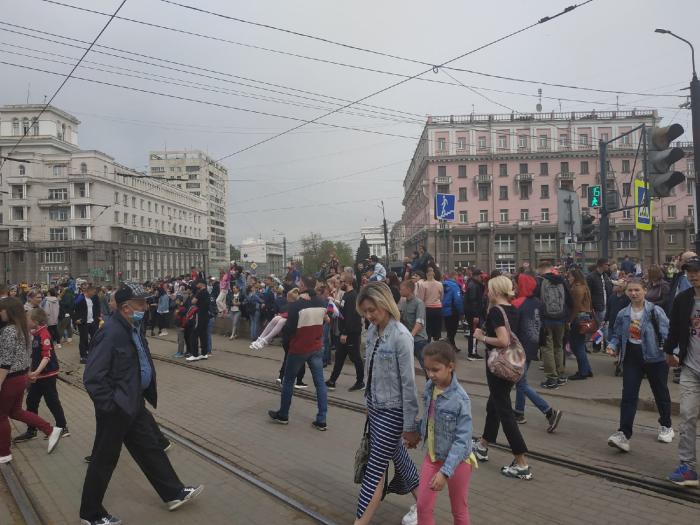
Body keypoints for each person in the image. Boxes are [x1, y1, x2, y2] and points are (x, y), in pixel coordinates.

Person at [80, 283, 203, 525]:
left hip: (133, 401)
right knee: (104, 460)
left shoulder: (132, 327)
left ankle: (173, 493)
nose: (146, 307)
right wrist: (112, 406)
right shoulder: (111, 332)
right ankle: (91, 514)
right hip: (117, 408)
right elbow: (93, 377)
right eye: (141, 304)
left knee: (150, 448)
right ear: (126, 307)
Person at [353, 282, 420, 525]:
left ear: (385, 304)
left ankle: (360, 522)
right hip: (376, 408)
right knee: (398, 457)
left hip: (393, 412)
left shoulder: (401, 336)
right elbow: (369, 371)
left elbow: (409, 384)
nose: (369, 316)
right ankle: (424, 502)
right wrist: (367, 401)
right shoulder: (372, 332)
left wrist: (410, 426)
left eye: (372, 310)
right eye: (365, 312)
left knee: (375, 469)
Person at [471, 276, 532, 480]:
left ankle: (521, 461)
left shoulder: (497, 311)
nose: (487, 293)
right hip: (511, 365)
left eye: (489, 290)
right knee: (494, 405)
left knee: (504, 410)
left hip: (498, 366)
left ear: (495, 291)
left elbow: (503, 340)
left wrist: (482, 338)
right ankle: (483, 445)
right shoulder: (513, 309)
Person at [605, 278, 673, 452]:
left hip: (655, 358)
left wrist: (673, 353)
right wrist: (612, 346)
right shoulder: (623, 314)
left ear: (645, 291)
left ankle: (666, 425)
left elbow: (668, 333)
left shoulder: (655, 311)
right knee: (628, 395)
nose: (633, 294)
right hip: (632, 358)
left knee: (660, 392)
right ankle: (623, 434)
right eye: (630, 291)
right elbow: (617, 334)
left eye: (637, 290)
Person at [416, 341, 474, 525]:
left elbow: (463, 440)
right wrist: (418, 433)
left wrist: (445, 472)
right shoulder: (429, 387)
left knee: (459, 510)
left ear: (450, 367)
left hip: (458, 463)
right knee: (422, 507)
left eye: (435, 369)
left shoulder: (460, 399)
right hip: (432, 458)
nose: (430, 375)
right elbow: (429, 419)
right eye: (427, 369)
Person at [0, 298, 63, 464]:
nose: (0, 313)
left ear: (9, 311)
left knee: (2, 416)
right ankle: (50, 430)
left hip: (10, 378)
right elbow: (26, 355)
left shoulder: (9, 331)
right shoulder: (24, 330)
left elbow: (5, 362)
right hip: (21, 377)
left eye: (2, 310)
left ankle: (4, 453)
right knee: (16, 412)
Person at [268, 276, 328, 429]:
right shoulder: (322, 302)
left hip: (299, 348)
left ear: (302, 286)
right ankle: (321, 419)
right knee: (320, 383)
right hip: (316, 346)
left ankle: (283, 414)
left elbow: (289, 330)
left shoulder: (296, 306)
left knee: (288, 381)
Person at [665, 257, 700, 486]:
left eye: (697, 272)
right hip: (690, 367)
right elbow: (675, 327)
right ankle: (687, 466)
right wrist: (669, 351)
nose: (693, 275)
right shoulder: (683, 299)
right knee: (687, 416)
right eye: (690, 272)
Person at [512, 273, 563, 431]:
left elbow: (512, 329)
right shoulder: (538, 303)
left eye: (516, 284)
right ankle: (519, 412)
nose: (514, 287)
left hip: (519, 348)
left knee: (521, 383)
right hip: (532, 346)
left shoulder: (517, 303)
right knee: (521, 381)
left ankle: (549, 412)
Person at [12, 308, 69, 443]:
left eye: (27, 319)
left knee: (52, 401)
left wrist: (36, 372)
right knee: (31, 401)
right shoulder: (36, 333)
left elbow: (46, 356)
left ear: (35, 321)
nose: (26, 321)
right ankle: (32, 430)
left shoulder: (44, 335)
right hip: (39, 376)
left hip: (47, 375)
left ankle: (62, 427)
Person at [326, 272, 364, 392]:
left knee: (355, 357)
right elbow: (343, 312)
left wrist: (345, 333)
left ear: (347, 282)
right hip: (345, 331)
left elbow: (351, 316)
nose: (339, 283)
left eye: (341, 281)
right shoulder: (346, 295)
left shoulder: (352, 296)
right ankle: (332, 380)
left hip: (351, 333)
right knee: (339, 357)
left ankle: (360, 382)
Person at [537, 260, 572, 389]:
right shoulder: (562, 281)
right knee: (559, 346)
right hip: (561, 319)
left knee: (547, 348)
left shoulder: (540, 281)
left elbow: (537, 301)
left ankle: (551, 378)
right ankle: (561, 375)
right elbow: (569, 300)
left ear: (542, 269)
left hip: (546, 320)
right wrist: (567, 317)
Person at [567, 268, 595, 380]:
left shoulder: (577, 288)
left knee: (577, 345)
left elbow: (576, 306)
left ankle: (583, 372)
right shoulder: (584, 286)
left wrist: (570, 320)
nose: (568, 278)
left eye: (569, 276)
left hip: (578, 317)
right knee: (579, 345)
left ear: (574, 277)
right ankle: (586, 369)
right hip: (585, 317)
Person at [398, 279, 428, 374]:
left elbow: (419, 323)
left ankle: (432, 387)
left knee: (427, 367)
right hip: (407, 340)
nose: (400, 291)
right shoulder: (403, 303)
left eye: (402, 289)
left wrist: (410, 336)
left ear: (409, 290)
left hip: (419, 340)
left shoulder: (419, 303)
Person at [586, 258, 613, 347]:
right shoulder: (591, 277)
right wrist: (591, 306)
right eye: (607, 265)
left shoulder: (605, 276)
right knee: (602, 327)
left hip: (606, 305)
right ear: (602, 265)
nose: (609, 267)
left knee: (601, 327)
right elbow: (588, 293)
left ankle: (599, 345)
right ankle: (604, 345)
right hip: (597, 306)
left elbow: (608, 290)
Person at [73, 285, 101, 365]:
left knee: (95, 337)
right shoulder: (80, 299)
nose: (94, 294)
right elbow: (73, 308)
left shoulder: (93, 298)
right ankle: (83, 356)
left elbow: (96, 308)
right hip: (83, 322)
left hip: (92, 321)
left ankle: (91, 351)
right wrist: (76, 319)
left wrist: (98, 316)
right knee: (83, 339)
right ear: (88, 291)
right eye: (93, 292)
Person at [416, 267, 443, 342]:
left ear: (426, 274)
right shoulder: (440, 284)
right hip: (438, 308)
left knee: (428, 329)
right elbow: (442, 297)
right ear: (434, 274)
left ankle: (427, 346)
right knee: (437, 329)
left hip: (428, 308)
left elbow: (420, 299)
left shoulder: (423, 285)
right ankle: (437, 346)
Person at [463, 269, 485, 360]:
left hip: (472, 312)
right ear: (476, 276)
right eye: (480, 276)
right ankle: (472, 353)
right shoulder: (474, 285)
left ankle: (473, 352)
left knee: (474, 332)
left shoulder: (473, 284)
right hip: (473, 313)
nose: (482, 278)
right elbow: (473, 301)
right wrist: (476, 315)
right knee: (474, 332)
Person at [186, 280, 210, 362]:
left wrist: (195, 295)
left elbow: (193, 301)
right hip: (206, 316)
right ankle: (204, 353)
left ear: (202, 284)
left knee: (194, 334)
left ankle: (195, 354)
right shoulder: (207, 292)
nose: (197, 285)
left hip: (199, 316)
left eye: (198, 283)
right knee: (203, 335)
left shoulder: (200, 292)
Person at [441, 272, 464, 352]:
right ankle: (448, 347)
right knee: (453, 331)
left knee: (449, 329)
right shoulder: (455, 286)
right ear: (455, 276)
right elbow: (457, 300)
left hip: (444, 310)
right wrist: (461, 311)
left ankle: (452, 345)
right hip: (453, 311)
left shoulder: (442, 284)